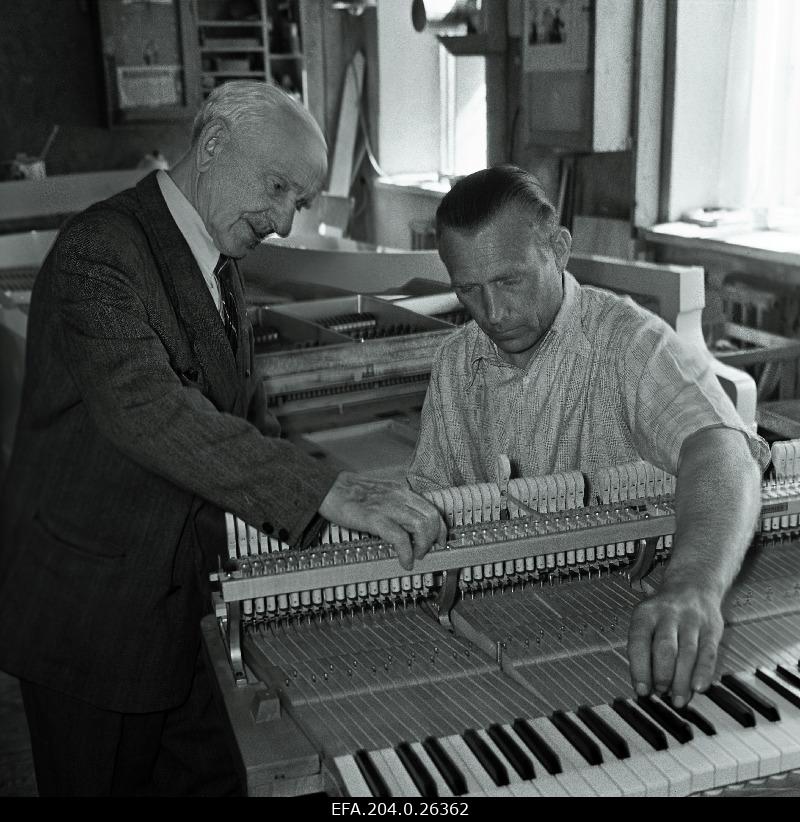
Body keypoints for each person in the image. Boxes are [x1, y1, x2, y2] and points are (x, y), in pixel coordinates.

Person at [0, 81, 445, 797]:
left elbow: (238, 423)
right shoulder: (99, 252)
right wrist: (326, 491)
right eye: (276, 188)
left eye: (297, 202)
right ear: (212, 148)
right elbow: (152, 410)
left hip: (185, 606)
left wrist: (336, 534)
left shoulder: (217, 262)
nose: (284, 222)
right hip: (93, 619)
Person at [407, 164, 768, 712]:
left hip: (626, 637)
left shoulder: (630, 345)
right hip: (502, 644)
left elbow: (722, 449)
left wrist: (693, 583)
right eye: (468, 290)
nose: (493, 312)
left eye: (509, 280)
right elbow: (431, 514)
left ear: (558, 248)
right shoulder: (456, 363)